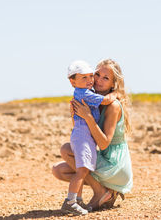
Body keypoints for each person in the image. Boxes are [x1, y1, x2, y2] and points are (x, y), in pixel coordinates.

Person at [53, 58, 133, 211]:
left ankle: (100, 192)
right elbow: (85, 135)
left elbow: (103, 144)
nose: (98, 80)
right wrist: (76, 116)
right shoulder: (92, 99)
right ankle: (106, 191)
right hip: (102, 156)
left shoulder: (113, 105)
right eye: (97, 75)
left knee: (67, 150)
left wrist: (88, 117)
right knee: (59, 170)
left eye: (106, 78)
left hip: (114, 164)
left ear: (113, 84)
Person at [61, 60, 117, 215]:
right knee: (82, 170)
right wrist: (116, 93)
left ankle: (78, 201)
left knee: (82, 169)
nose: (90, 80)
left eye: (90, 76)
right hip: (83, 136)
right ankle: (70, 201)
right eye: (83, 78)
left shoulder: (84, 92)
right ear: (72, 81)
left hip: (83, 135)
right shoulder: (84, 93)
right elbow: (106, 100)